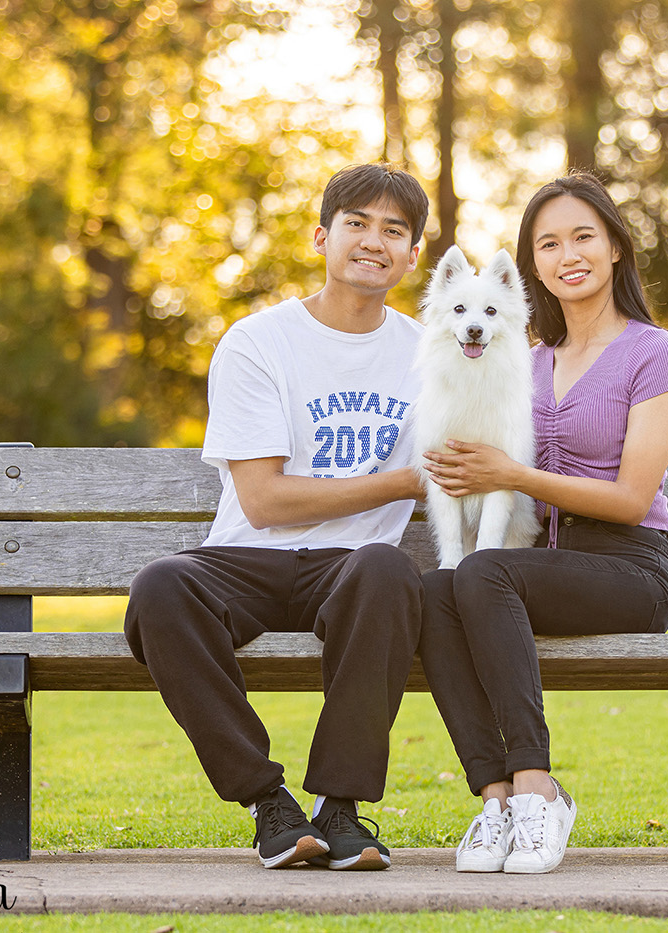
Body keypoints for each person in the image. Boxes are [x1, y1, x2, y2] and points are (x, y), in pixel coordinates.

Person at [124, 163, 430, 872]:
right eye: (356, 223)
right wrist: (403, 481)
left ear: (413, 256)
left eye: (394, 230)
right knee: (160, 588)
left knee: (390, 568)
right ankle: (269, 803)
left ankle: (342, 811)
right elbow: (263, 499)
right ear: (322, 236)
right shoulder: (258, 342)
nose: (373, 241)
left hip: (352, 571)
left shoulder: (428, 355)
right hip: (247, 559)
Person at [418, 171, 668, 874]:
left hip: (631, 568)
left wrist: (511, 475)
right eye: (548, 243)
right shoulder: (522, 360)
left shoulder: (654, 353)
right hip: (539, 568)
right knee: (435, 588)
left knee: (481, 571)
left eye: (583, 237)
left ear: (616, 248)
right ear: (532, 262)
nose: (567, 253)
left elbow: (633, 497)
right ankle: (498, 797)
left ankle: (541, 789)